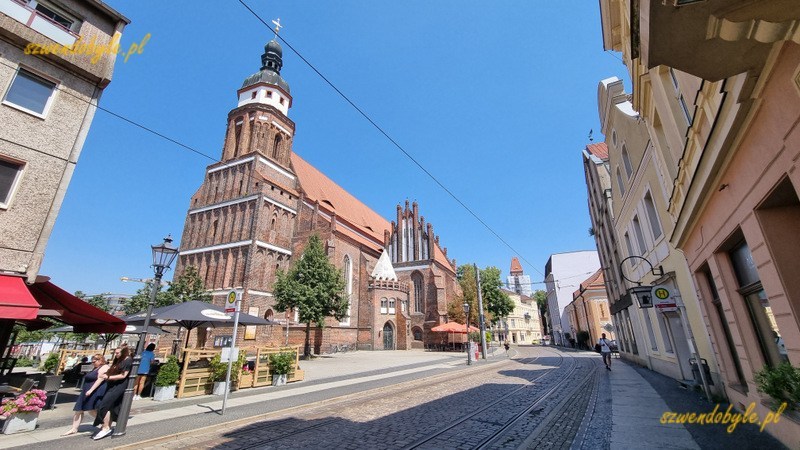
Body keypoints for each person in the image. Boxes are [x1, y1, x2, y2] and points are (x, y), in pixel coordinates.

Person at [61, 354, 109, 436]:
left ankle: (105, 424)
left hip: (94, 391)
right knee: (79, 410)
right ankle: (74, 428)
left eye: (94, 361)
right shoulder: (95, 368)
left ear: (100, 360)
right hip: (86, 390)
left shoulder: (104, 367)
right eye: (92, 361)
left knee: (92, 410)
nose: (93, 363)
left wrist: (91, 390)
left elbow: (100, 379)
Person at [92, 346, 132, 440]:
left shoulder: (128, 361)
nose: (116, 354)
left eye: (118, 353)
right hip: (112, 385)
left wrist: (108, 377)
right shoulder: (117, 360)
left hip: (119, 386)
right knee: (110, 406)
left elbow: (124, 375)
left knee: (104, 405)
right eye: (115, 352)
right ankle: (106, 426)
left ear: (124, 352)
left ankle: (106, 427)